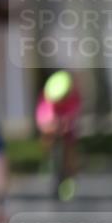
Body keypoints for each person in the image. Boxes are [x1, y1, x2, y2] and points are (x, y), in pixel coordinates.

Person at [35, 70, 81, 201]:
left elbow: (74, 114)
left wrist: (67, 124)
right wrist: (49, 126)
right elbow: (42, 117)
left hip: (67, 124)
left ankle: (70, 173)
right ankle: (47, 160)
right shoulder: (47, 97)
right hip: (52, 123)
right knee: (47, 137)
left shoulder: (73, 97)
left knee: (70, 148)